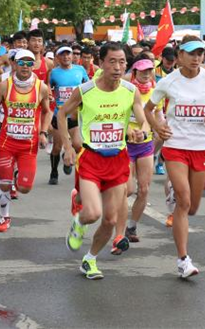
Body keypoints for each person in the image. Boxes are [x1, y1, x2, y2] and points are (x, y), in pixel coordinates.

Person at [61, 42, 147, 280]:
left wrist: (142, 131)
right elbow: (61, 114)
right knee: (92, 214)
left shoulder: (130, 90)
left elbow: (142, 119)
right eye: (112, 62)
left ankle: (90, 259)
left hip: (118, 160)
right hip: (91, 159)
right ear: (101, 63)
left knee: (110, 220)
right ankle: (80, 221)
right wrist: (67, 147)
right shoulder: (85, 90)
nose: (118, 67)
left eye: (122, 62)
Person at [144, 36, 205, 278]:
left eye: (200, 53)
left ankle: (176, 193)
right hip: (176, 145)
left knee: (193, 207)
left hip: (203, 145)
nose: (196, 58)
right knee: (184, 202)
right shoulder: (168, 81)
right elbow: (148, 109)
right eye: (191, 53)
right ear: (180, 55)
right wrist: (157, 128)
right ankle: (183, 260)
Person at [0, 49, 52, 232]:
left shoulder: (41, 87)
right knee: (5, 184)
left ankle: (17, 176)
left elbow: (47, 112)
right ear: (14, 64)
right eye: (22, 62)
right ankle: (4, 217)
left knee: (24, 188)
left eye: (29, 63)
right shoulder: (4, 86)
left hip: (28, 146)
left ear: (33, 66)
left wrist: (43, 132)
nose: (25, 66)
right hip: (7, 143)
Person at [114, 56, 158, 246]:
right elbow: (116, 117)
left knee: (144, 189)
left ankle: (131, 227)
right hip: (126, 144)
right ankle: (117, 223)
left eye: (149, 70)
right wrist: (127, 131)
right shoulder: (126, 91)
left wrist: (153, 130)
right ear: (134, 73)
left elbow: (157, 116)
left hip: (145, 144)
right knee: (128, 189)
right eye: (142, 71)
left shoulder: (156, 93)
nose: (146, 74)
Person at [48, 45, 89, 185]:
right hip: (59, 115)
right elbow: (48, 89)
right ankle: (54, 171)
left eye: (68, 54)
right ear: (58, 58)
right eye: (63, 54)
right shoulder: (54, 73)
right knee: (57, 147)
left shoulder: (80, 70)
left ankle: (74, 163)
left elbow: (87, 86)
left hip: (75, 114)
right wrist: (50, 97)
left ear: (72, 56)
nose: (66, 57)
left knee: (78, 144)